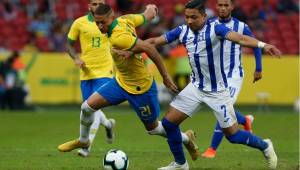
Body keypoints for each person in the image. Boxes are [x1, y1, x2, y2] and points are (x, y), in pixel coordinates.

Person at [146, 0, 280, 169]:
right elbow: (154, 42)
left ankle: (265, 145)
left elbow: (239, 38)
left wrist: (263, 45)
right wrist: (132, 48)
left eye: (193, 17)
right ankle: (180, 163)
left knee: (233, 135)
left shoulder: (216, 29)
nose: (189, 21)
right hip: (195, 88)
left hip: (217, 91)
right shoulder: (182, 30)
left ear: (204, 16)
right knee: (168, 124)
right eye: (186, 17)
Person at [58, 3, 200, 161]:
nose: (99, 26)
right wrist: (150, 9)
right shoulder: (125, 20)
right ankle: (84, 141)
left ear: (111, 18)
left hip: (141, 88)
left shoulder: (119, 37)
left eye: (102, 22)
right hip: (120, 82)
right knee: (87, 107)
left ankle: (187, 139)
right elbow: (146, 16)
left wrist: (165, 77)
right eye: (96, 22)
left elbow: (149, 48)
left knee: (153, 129)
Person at [201, 0, 262, 159]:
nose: (222, 8)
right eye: (220, 5)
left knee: (222, 107)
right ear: (216, 6)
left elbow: (255, 45)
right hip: (217, 74)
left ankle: (212, 149)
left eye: (226, 5)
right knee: (220, 106)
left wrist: (258, 68)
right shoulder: (210, 24)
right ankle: (245, 120)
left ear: (232, 7)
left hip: (234, 75)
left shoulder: (242, 27)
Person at [63, 0, 116, 157]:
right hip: (86, 72)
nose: (97, 6)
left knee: (93, 107)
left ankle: (86, 146)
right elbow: (69, 45)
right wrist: (76, 58)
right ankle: (108, 124)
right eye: (94, 3)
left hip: (105, 71)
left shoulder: (111, 23)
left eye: (100, 3)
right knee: (90, 108)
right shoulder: (79, 23)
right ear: (88, 5)